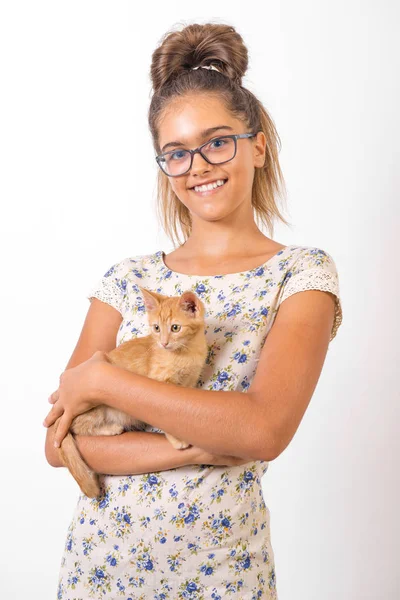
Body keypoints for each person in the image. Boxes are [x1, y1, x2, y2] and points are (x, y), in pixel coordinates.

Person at [44, 22, 343, 599]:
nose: (197, 166)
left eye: (217, 141)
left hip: (222, 573)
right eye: (176, 153)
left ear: (257, 144)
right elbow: (60, 444)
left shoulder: (300, 275)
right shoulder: (128, 280)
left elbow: (262, 429)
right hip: (102, 569)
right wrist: (203, 444)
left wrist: (106, 380)